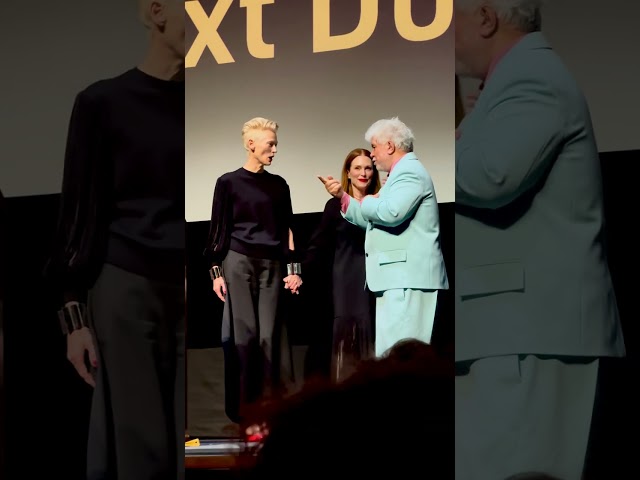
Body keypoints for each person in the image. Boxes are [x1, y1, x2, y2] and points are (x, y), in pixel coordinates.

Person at [453, 1, 625, 479]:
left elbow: (492, 175)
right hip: (514, 327)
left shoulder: (532, 76)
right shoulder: (516, 79)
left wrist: (422, 153)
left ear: (486, 18)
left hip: (527, 329)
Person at [44, 1, 186, 479]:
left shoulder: (213, 104)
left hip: (191, 288)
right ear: (157, 12)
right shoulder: (103, 102)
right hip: (126, 284)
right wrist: (72, 318)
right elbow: (77, 212)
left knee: (191, 441)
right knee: (138, 446)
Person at [319, 117, 449, 357]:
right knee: (393, 357)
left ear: (389, 146)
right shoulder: (399, 175)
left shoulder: (409, 172)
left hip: (407, 279)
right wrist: (345, 199)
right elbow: (373, 219)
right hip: (398, 279)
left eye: (375, 146)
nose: (373, 153)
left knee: (404, 357)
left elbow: (390, 214)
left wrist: (369, 199)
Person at [204, 117, 302, 424]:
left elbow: (288, 229)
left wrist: (294, 269)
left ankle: (272, 412)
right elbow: (218, 229)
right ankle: (246, 414)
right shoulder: (228, 182)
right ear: (251, 144)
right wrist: (215, 273)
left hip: (272, 265)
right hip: (238, 262)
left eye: (275, 144)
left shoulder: (279, 185)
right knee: (244, 339)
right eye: (270, 144)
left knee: (269, 338)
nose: (274, 149)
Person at [302, 148, 381, 382]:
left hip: (377, 278)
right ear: (348, 172)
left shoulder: (382, 203)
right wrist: (298, 271)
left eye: (368, 167)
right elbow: (317, 245)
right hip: (345, 279)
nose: (363, 173)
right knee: (346, 336)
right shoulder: (334, 206)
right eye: (357, 168)